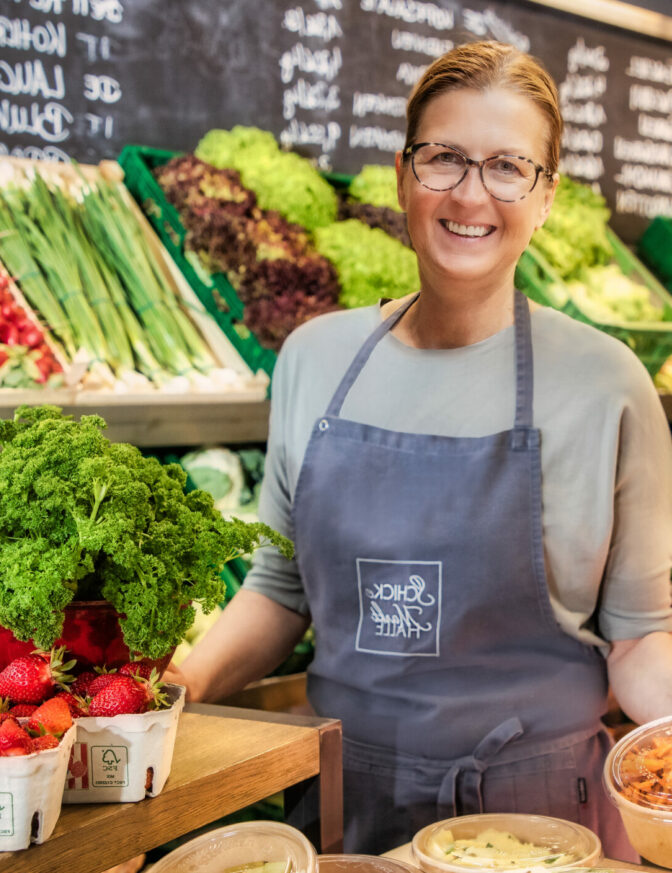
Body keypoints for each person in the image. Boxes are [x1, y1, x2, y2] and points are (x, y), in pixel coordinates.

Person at [171, 40, 672, 859]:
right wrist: (181, 684)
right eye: (445, 159)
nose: (473, 194)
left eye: (510, 167)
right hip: (346, 811)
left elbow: (640, 640)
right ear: (404, 175)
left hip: (544, 829)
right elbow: (278, 588)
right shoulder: (313, 359)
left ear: (545, 198)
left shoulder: (609, 383)